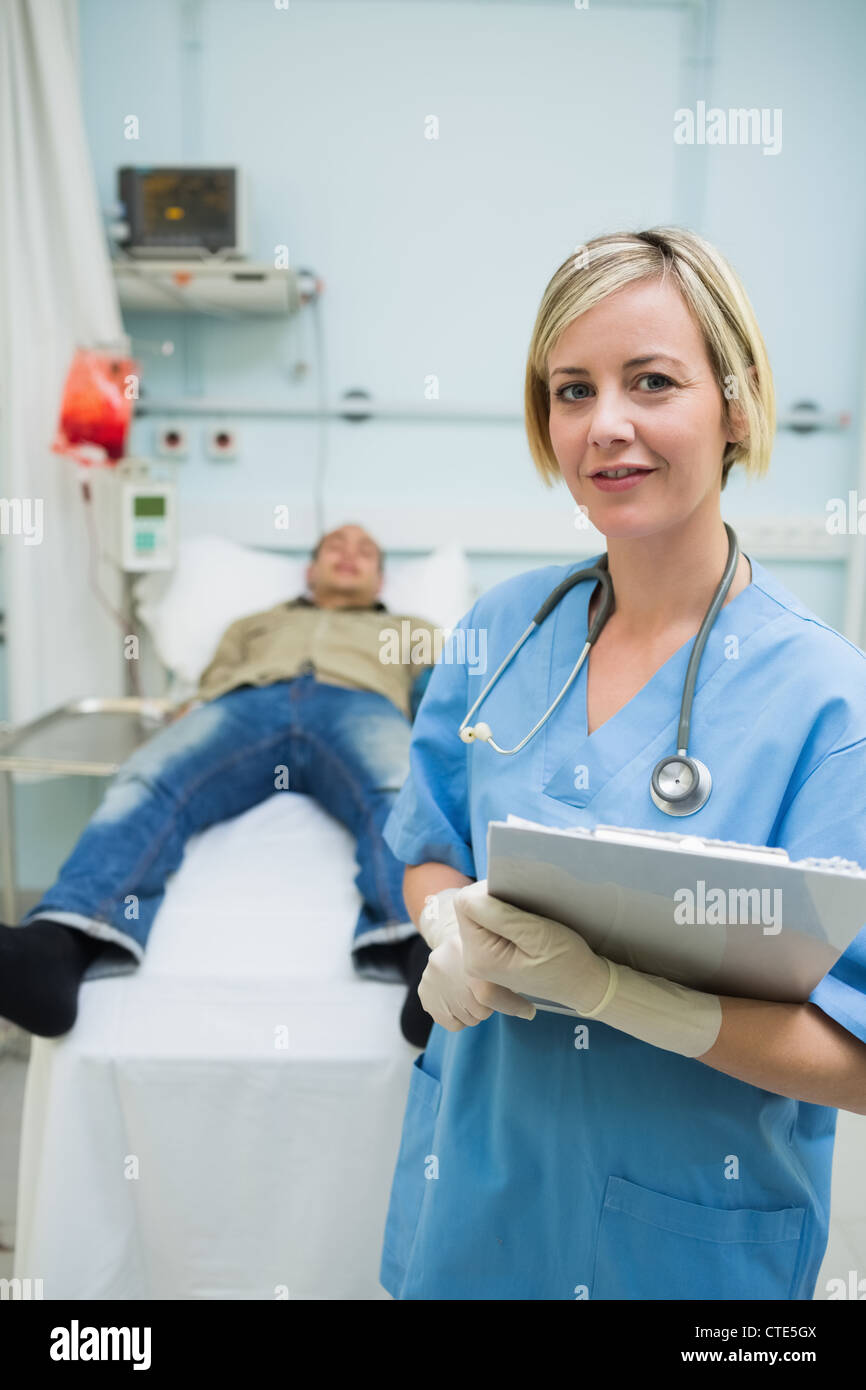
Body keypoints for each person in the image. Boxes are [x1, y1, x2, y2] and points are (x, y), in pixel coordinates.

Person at [379, 227, 866, 1301]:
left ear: (734, 405)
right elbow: (426, 839)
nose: (604, 426)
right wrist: (442, 925)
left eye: (651, 380)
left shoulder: (825, 702)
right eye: (569, 390)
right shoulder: (500, 629)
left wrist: (619, 994)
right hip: (471, 1203)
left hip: (683, 1247)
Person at [0, 523, 438, 1046]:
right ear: (310, 569)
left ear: (381, 579)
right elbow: (208, 687)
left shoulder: (414, 629)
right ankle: (58, 947)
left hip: (360, 704)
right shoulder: (254, 624)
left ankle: (424, 958)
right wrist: (190, 717)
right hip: (246, 705)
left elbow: (439, 703)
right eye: (335, 547)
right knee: (149, 781)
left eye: (365, 550)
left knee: (398, 792)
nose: (349, 555)